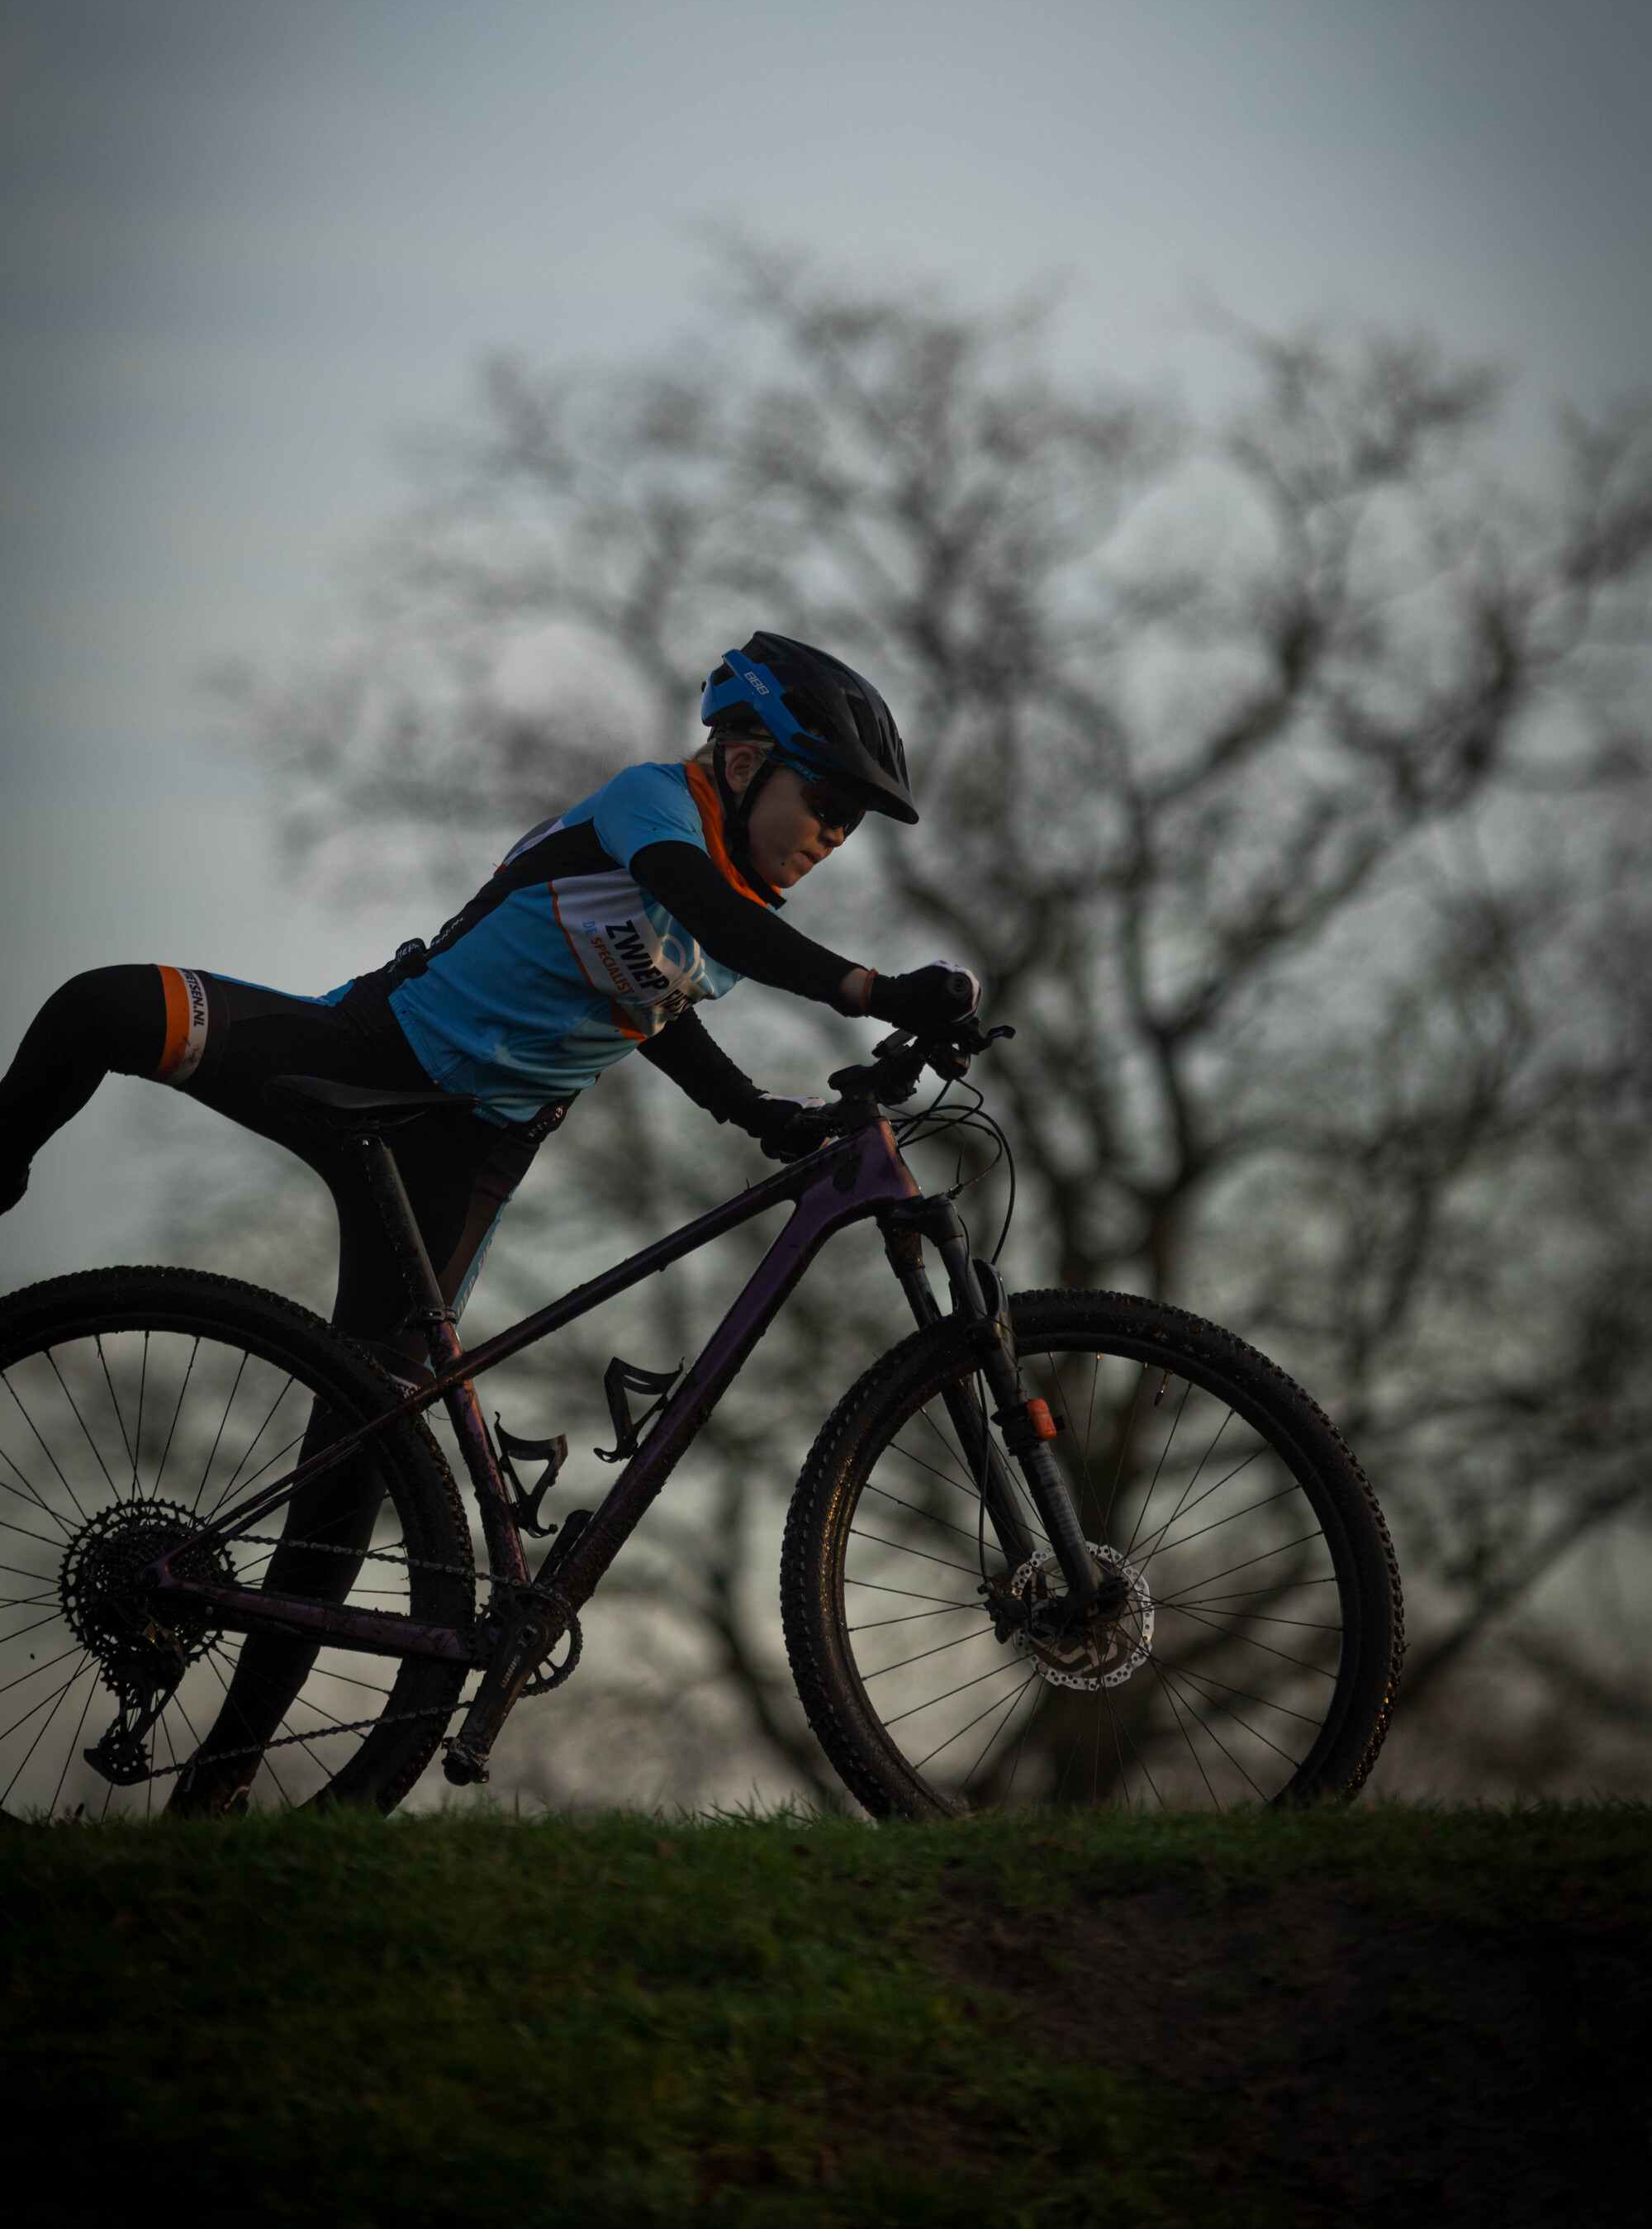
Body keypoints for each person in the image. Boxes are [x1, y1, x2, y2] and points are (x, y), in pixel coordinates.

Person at [0, 633, 980, 1807]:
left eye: (851, 823)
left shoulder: (723, 914)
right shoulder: (652, 807)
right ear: (738, 756)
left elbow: (651, 1004)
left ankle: (217, 1802)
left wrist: (755, 1113)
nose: (832, 834)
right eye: (823, 800)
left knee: (354, 1473)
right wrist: (870, 990)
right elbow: (702, 912)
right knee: (101, 1007)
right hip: (367, 1060)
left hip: (464, 1165)